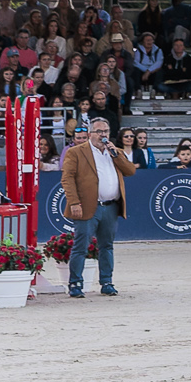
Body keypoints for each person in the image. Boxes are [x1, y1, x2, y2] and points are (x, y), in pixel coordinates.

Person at [60, 116, 136, 298]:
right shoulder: (77, 152)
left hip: (110, 206)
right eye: (99, 131)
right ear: (90, 133)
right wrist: (74, 202)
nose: (103, 135)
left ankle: (107, 281)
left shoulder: (114, 151)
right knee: (81, 246)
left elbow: (130, 171)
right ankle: (75, 283)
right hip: (87, 205)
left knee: (107, 246)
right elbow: (67, 179)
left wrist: (116, 155)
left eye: (106, 132)